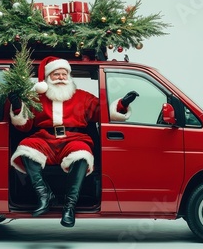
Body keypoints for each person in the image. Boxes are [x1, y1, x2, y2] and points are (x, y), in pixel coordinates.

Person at [8, 56, 138, 227]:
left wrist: (122, 104)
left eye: (64, 74)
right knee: (26, 148)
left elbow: (103, 112)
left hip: (73, 139)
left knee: (82, 154)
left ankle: (69, 206)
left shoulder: (83, 97)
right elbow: (24, 126)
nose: (61, 78)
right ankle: (44, 195)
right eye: (56, 74)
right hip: (45, 139)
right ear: (48, 77)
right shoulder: (35, 98)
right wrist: (18, 107)